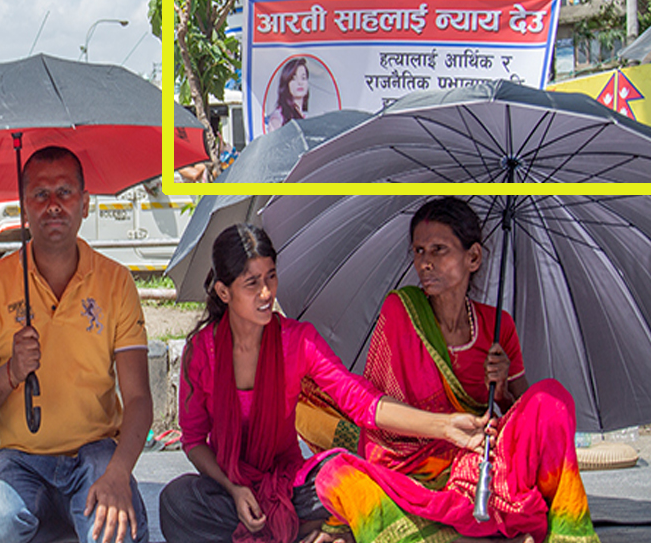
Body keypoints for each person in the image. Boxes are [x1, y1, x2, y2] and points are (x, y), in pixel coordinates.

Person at [158, 223, 508, 543]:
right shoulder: (201, 351)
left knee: (343, 473)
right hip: (230, 490)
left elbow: (364, 403)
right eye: (252, 283)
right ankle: (307, 533)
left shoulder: (297, 340)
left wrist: (445, 426)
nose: (266, 293)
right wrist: (234, 489)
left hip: (292, 486)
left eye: (271, 277)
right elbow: (194, 440)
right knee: (177, 502)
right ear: (224, 291)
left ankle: (307, 530)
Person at [314, 197, 599, 542]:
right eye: (419, 251)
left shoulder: (498, 326)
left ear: (473, 257)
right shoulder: (402, 311)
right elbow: (380, 418)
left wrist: (503, 391)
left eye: (439, 250)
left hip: (479, 462)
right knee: (335, 475)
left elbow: (526, 418)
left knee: (551, 398)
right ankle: (496, 521)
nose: (425, 263)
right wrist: (447, 428)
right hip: (413, 468)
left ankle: (558, 529)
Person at [0, 146, 152, 543]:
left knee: (113, 533)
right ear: (23, 207)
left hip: (95, 453)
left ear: (85, 203)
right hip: (17, 460)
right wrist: (10, 373)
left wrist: (118, 474)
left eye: (64, 192)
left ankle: (76, 514)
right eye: (40, 194)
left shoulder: (116, 282)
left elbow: (138, 398)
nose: (53, 205)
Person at [265, 58, 309, 132]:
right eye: (293, 78)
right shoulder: (278, 118)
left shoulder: (307, 117)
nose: (300, 83)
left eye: (303, 78)